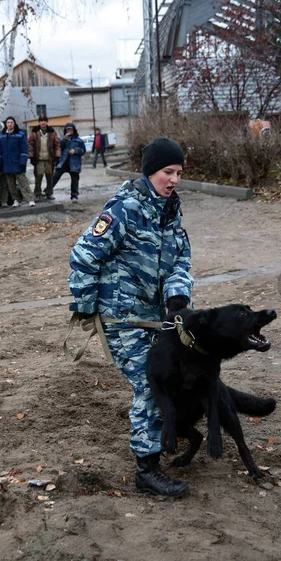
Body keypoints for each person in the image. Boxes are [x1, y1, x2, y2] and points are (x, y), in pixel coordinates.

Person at [68, 137, 193, 497]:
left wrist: (178, 296)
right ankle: (147, 470)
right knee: (151, 384)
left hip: (156, 318)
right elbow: (83, 256)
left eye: (179, 173)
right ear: (151, 171)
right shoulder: (122, 210)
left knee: (178, 377)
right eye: (167, 172)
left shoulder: (170, 212)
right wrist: (88, 307)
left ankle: (168, 437)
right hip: (122, 319)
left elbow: (180, 261)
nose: (174, 180)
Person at [0, 116, 35, 208]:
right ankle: (16, 200)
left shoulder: (20, 134)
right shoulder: (2, 136)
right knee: (11, 185)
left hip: (18, 164)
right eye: (8, 122)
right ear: (6, 124)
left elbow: (24, 149)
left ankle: (30, 199)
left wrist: (23, 162)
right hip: (7, 164)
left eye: (11, 122)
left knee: (23, 183)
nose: (9, 124)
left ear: (14, 124)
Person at [28, 114, 61, 201]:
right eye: (41, 121)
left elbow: (57, 144)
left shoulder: (52, 132)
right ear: (39, 122)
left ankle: (49, 193)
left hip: (49, 159)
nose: (43, 122)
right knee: (38, 178)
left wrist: (57, 156)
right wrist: (31, 157)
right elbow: (30, 145)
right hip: (38, 160)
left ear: (47, 122)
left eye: (44, 121)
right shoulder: (34, 132)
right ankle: (37, 194)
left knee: (49, 177)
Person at [52, 122, 86, 202]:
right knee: (55, 176)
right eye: (68, 129)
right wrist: (64, 139)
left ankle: (74, 196)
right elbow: (58, 147)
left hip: (74, 163)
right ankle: (48, 192)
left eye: (71, 129)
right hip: (63, 161)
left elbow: (83, 150)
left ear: (74, 130)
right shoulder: (62, 139)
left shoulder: (79, 140)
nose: (69, 130)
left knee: (75, 179)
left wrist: (76, 150)